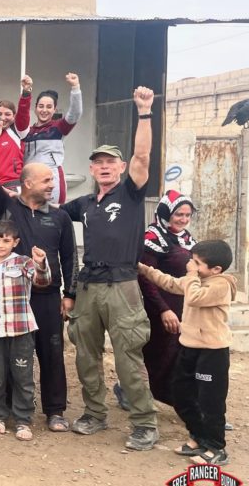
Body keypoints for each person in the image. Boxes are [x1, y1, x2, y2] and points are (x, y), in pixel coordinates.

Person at [60, 86, 159, 451]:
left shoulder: (130, 193)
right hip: (88, 286)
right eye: (98, 162)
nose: (104, 166)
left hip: (122, 285)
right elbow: (49, 212)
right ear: (91, 168)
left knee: (127, 355)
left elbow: (144, 154)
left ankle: (145, 423)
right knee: (86, 355)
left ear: (120, 167)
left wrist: (144, 111)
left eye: (110, 162)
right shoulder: (84, 203)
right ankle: (94, 414)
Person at [0, 145, 77, 432]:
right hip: (13, 298)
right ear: (28, 182)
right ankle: (6, 410)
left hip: (47, 297)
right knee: (9, 356)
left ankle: (55, 411)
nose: (52, 184)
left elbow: (71, 257)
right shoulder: (7, 207)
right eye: (47, 180)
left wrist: (69, 295)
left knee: (52, 353)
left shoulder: (60, 217)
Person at [138, 240, 236, 466]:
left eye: (197, 263)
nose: (191, 266)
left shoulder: (221, 285)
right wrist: (144, 268)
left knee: (210, 401)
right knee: (181, 393)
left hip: (212, 352)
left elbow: (194, 297)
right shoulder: (197, 280)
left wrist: (191, 275)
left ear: (216, 269)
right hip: (189, 347)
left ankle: (216, 447)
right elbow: (170, 283)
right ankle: (198, 436)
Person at [0, 220, 51, 442]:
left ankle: (23, 419)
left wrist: (41, 263)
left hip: (21, 329)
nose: (0, 245)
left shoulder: (23, 262)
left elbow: (43, 281)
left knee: (23, 376)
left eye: (6, 241)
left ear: (15, 242)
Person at [135, 190, 197, 406]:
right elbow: (145, 278)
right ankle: (146, 394)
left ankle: (182, 400)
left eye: (188, 215)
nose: (184, 219)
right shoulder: (152, 238)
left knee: (181, 355)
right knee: (160, 355)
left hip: (183, 307)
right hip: (160, 308)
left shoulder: (185, 237)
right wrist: (163, 310)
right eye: (179, 214)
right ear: (165, 213)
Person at [16, 73, 83, 205]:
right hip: (30, 181)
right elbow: (21, 116)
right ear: (35, 108)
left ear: (54, 110)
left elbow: (75, 114)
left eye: (49, 107)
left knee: (52, 217)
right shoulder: (27, 131)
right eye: (41, 106)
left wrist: (75, 87)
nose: (44, 110)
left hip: (52, 180)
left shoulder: (58, 128)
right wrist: (26, 92)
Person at [0, 76, 30, 193]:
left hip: (13, 185)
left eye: (7, 114)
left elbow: (24, 113)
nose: (3, 117)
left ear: (14, 116)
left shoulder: (18, 131)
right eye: (0, 114)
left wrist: (26, 92)